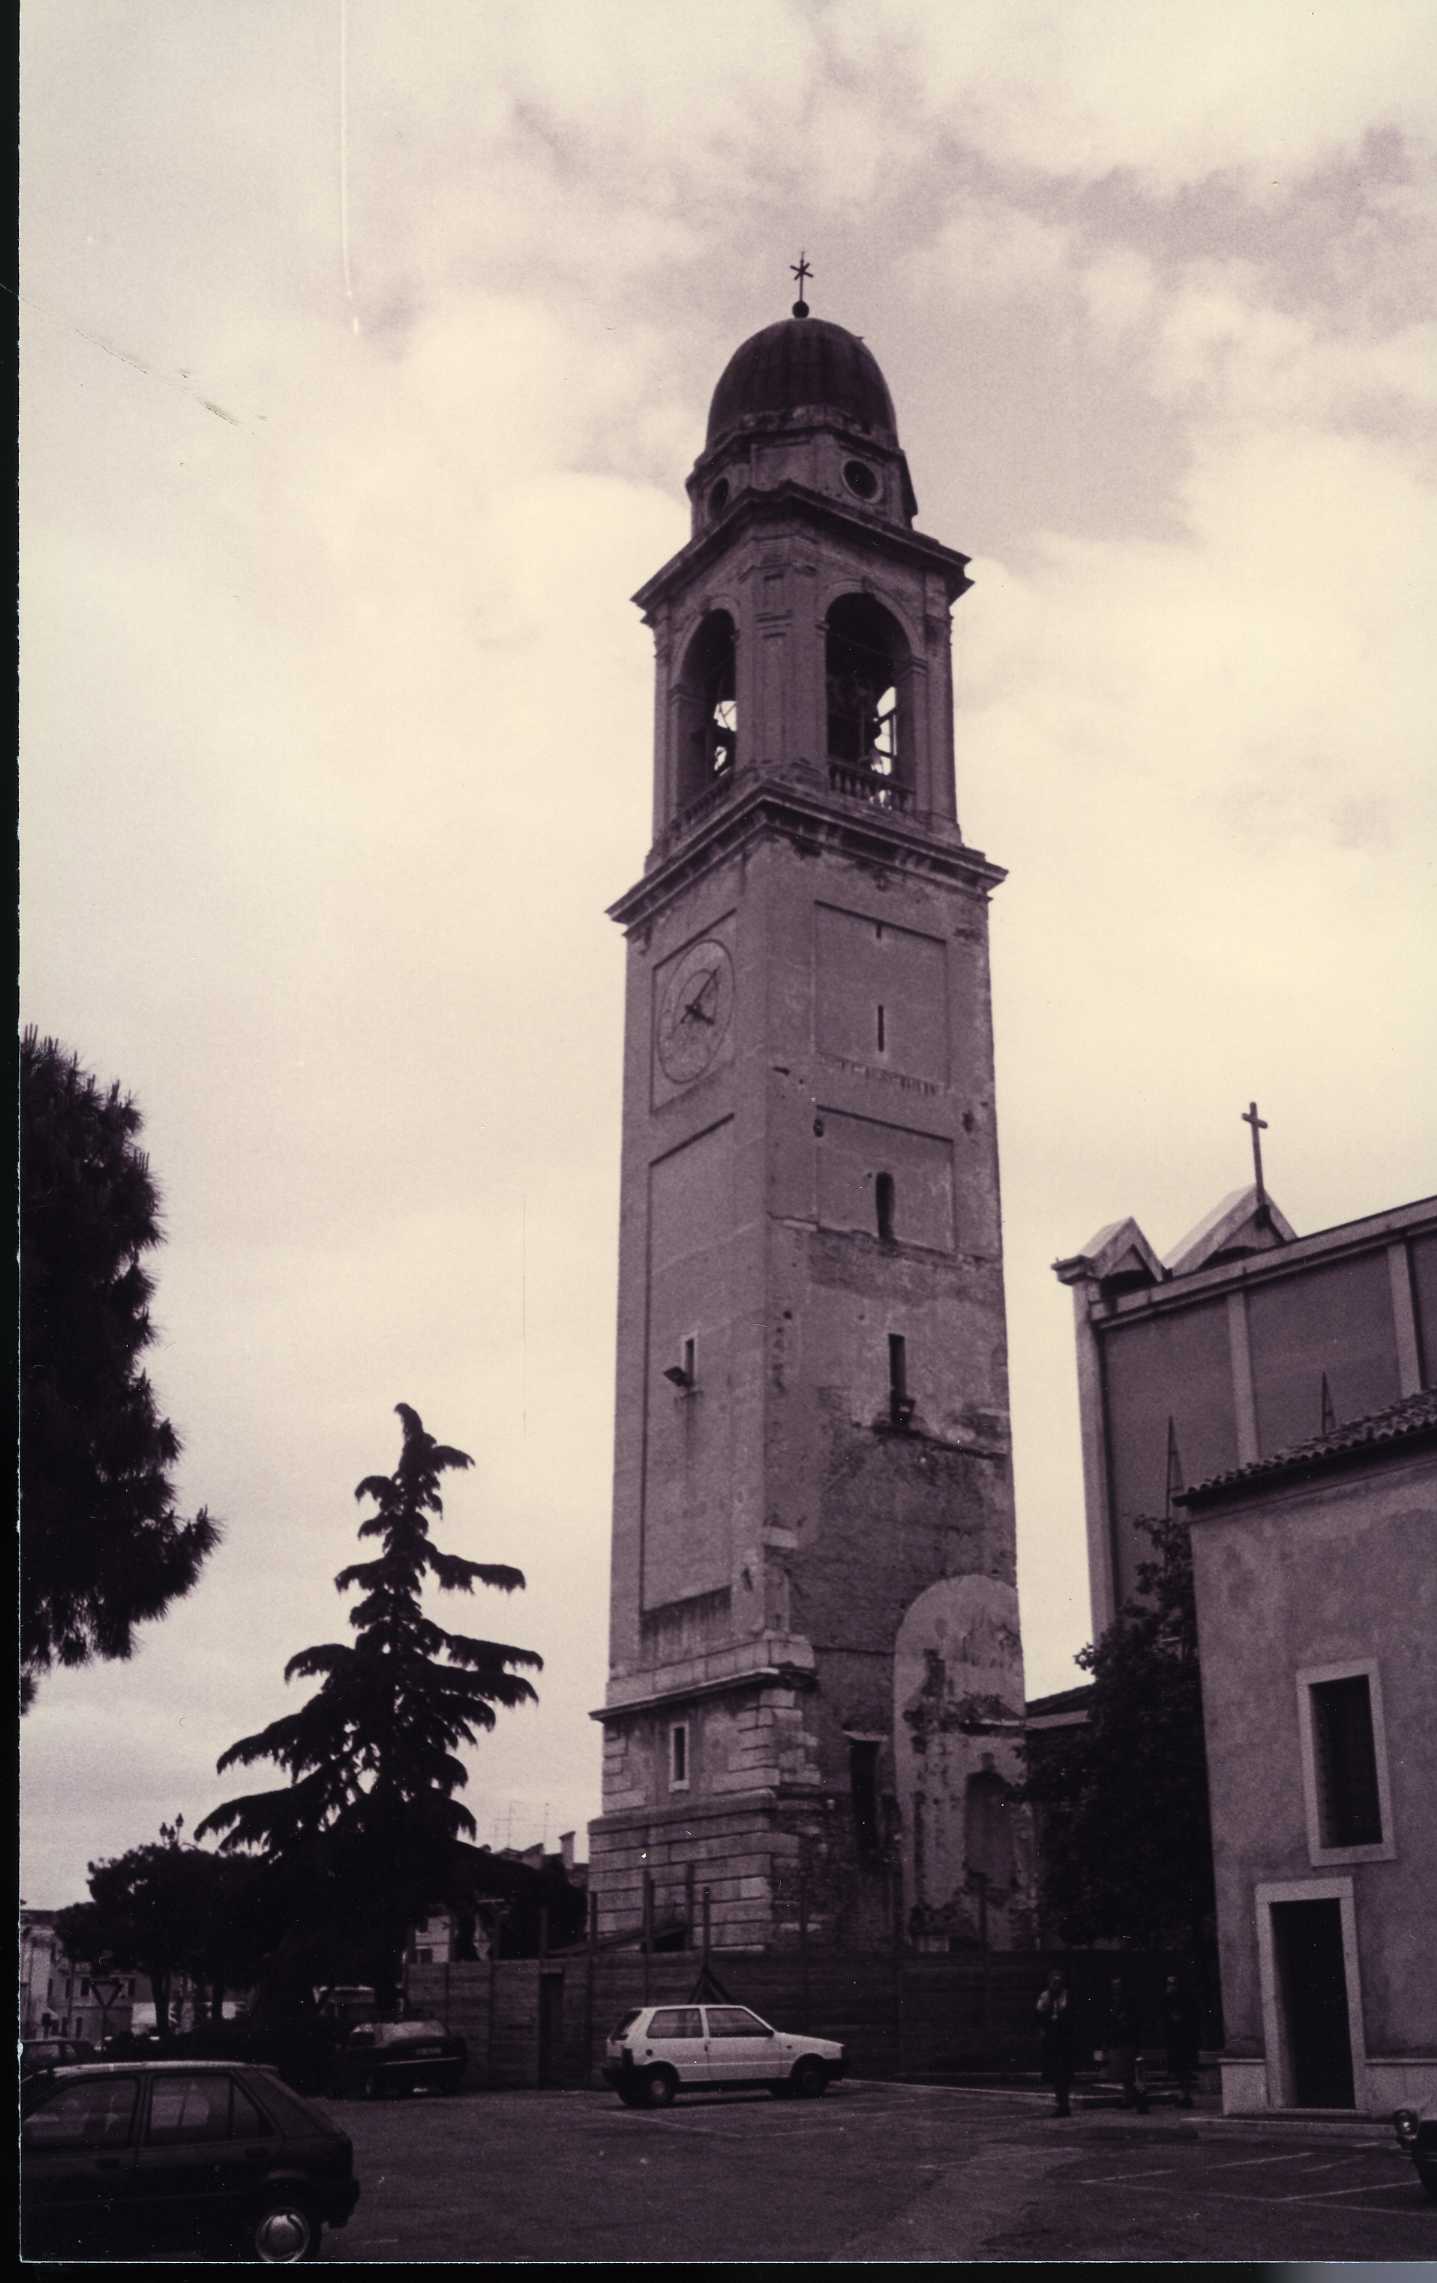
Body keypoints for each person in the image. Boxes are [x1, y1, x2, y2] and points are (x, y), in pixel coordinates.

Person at [1101, 1975, 1148, 2112]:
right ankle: (1128, 2097)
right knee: (1123, 2073)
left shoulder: (1129, 2002)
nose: (1116, 1988)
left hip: (1129, 2039)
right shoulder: (1111, 2002)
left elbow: (1136, 2021)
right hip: (1117, 2039)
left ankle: (1138, 2099)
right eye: (1114, 1985)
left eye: (1118, 1985)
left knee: (1132, 2073)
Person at [1035, 1970, 1076, 2117]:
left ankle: (1064, 2105)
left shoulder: (1067, 1996)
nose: (1056, 1985)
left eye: (1058, 1982)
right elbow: (1039, 2014)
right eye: (1053, 1982)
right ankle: (1060, 2104)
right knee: (1055, 2076)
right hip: (1052, 2042)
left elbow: (1071, 2017)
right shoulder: (1045, 1997)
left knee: (1063, 2076)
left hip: (1064, 2042)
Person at [1161, 1972, 1201, 2108]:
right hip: (1173, 2040)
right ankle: (1183, 2095)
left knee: (1184, 2070)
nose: (1171, 1987)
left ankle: (1186, 2096)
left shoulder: (1185, 2000)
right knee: (1178, 2070)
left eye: (1173, 1984)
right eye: (1169, 1984)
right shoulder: (1168, 2000)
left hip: (1184, 2040)